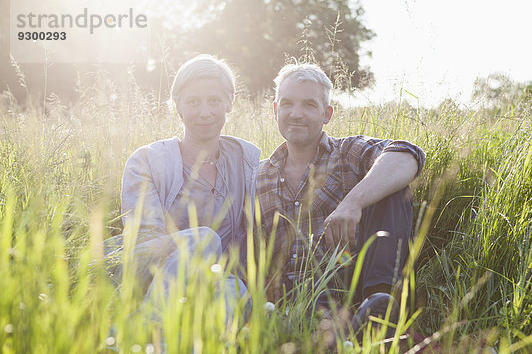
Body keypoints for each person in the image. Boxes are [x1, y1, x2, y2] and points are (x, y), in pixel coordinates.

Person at [256, 63, 425, 339]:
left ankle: (379, 311)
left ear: (327, 114)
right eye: (287, 104)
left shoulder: (348, 152)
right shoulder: (257, 174)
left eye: (309, 105)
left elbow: (407, 154)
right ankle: (326, 331)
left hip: (352, 286)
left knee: (393, 188)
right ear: (276, 110)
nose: (296, 114)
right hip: (296, 300)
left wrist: (352, 202)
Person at [104, 54, 259, 328]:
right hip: (153, 276)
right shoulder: (147, 161)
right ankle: (138, 333)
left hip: (218, 279)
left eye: (214, 100)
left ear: (229, 103)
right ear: (177, 106)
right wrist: (196, 253)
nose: (205, 112)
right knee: (204, 240)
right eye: (193, 101)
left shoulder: (247, 159)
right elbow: (144, 240)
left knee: (236, 291)